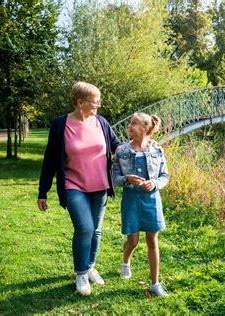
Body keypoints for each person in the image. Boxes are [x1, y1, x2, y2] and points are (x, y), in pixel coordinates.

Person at [37, 82, 121, 296]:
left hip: (100, 185)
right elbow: (50, 160)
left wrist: (142, 146)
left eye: (99, 101)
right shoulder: (60, 125)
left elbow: (117, 146)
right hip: (73, 184)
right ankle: (81, 273)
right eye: (95, 102)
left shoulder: (101, 122)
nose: (98, 105)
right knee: (84, 227)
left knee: (96, 230)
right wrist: (42, 191)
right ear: (80, 101)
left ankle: (90, 266)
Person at [112, 112, 170, 297]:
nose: (129, 126)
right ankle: (125, 262)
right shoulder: (121, 151)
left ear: (145, 129)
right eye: (130, 123)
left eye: (134, 123)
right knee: (133, 241)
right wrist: (127, 179)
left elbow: (164, 176)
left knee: (152, 240)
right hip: (130, 201)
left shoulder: (157, 150)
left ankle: (155, 283)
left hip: (151, 201)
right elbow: (114, 177)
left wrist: (154, 184)